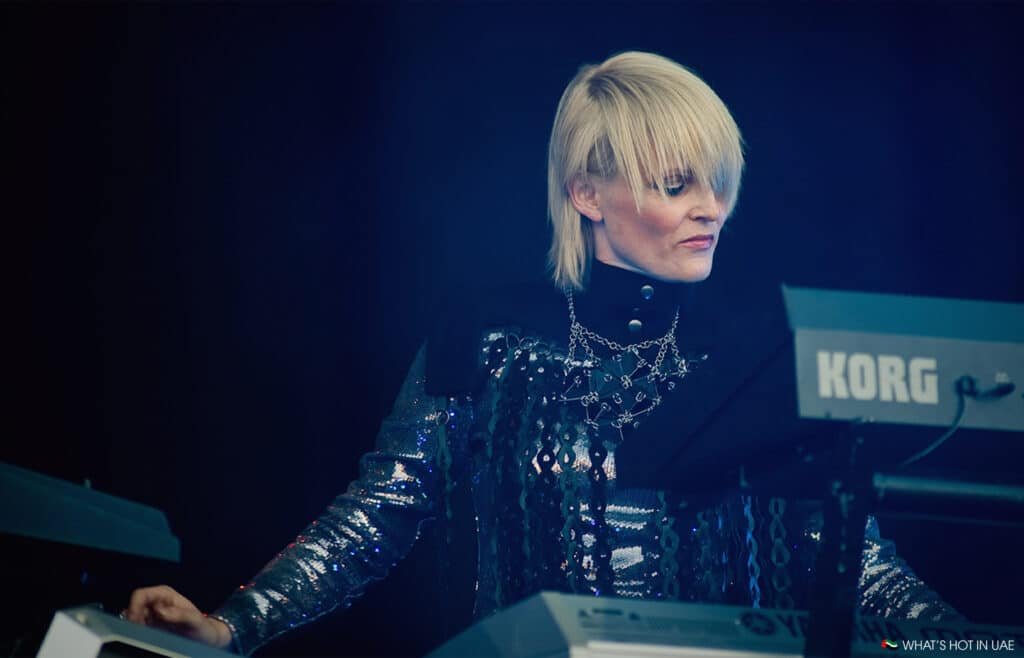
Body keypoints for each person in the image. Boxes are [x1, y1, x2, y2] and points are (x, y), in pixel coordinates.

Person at [125, 51, 960, 655]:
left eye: (718, 184)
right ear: (586, 193)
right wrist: (234, 623)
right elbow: (378, 514)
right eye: (677, 185)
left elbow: (854, 556)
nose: (710, 210)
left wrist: (971, 647)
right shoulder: (487, 335)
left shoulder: (757, 351)